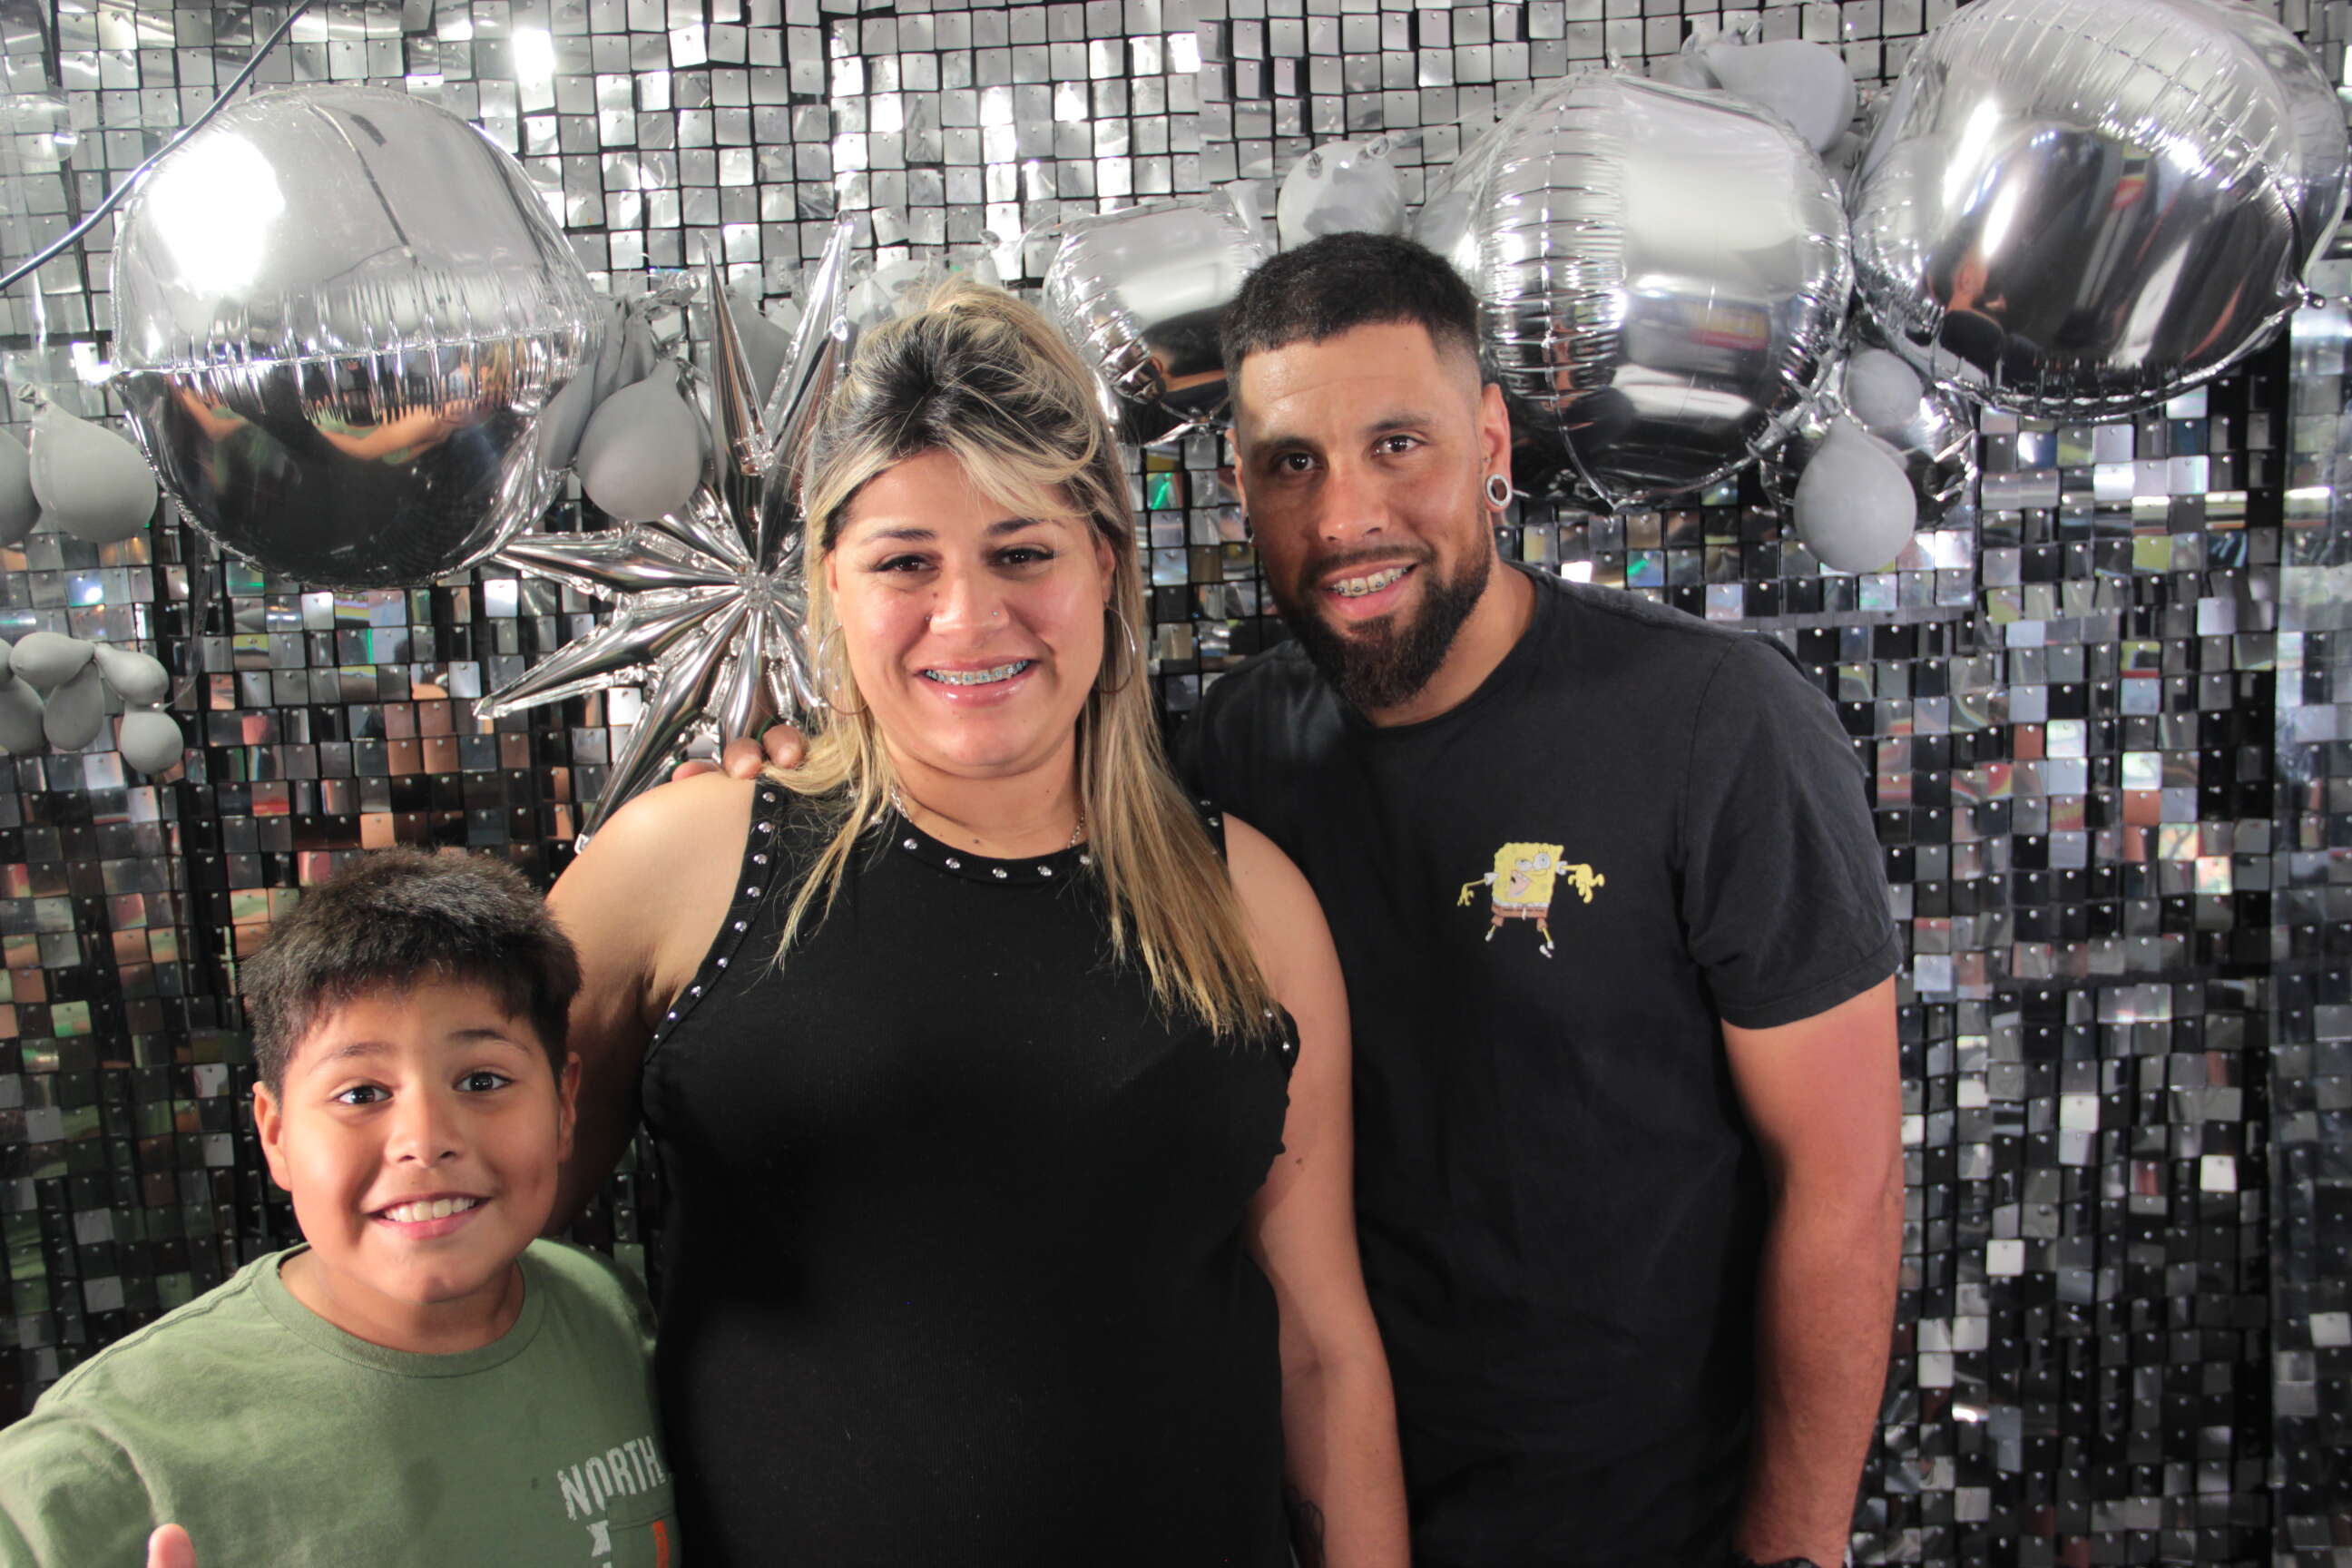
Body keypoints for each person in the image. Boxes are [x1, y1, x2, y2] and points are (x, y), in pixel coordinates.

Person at [712, 232, 1904, 1567]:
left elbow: (1845, 1187)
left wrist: (1795, 1549)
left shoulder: (1715, 728)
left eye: (1399, 444)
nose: (1345, 518)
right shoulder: (1224, 755)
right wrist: (807, 777)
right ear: (1239, 487)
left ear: (1491, 441)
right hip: (1311, 1515)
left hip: (1644, 1527)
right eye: (1293, 464)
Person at [550, 280, 1407, 1567]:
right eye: (906, 562)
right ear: (831, 584)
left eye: (1022, 553)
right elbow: (458, 1235)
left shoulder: (1248, 901)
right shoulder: (683, 866)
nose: (969, 617)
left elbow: (1322, 1353)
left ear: (1103, 564)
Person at [0, 849, 677, 1567]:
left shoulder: (607, 1317)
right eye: (361, 1094)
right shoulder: (110, 1454)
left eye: (482, 1080)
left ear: (565, 1105)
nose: (425, 1141)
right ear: (276, 1134)